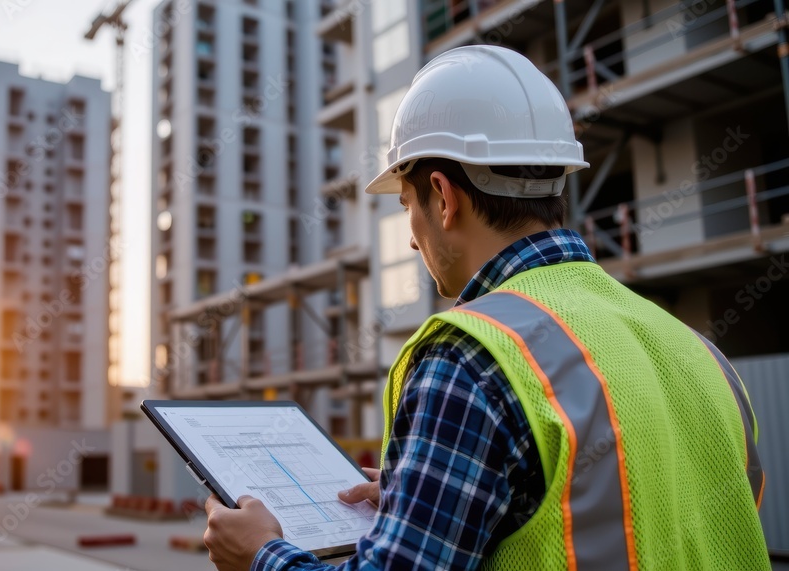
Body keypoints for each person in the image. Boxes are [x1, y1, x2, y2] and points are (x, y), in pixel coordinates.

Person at [203, 45, 768, 570]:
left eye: (406, 206)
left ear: (444, 198)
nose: (410, 238)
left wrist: (260, 554)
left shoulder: (473, 357)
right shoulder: (697, 350)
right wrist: (424, 497)